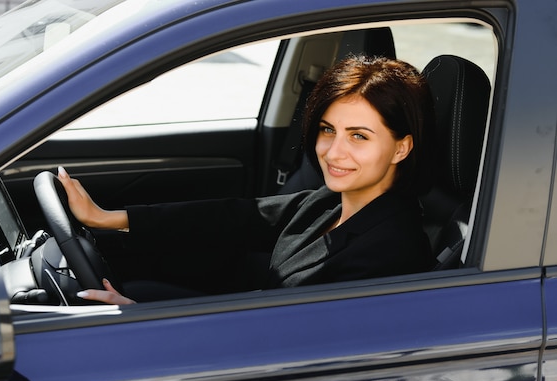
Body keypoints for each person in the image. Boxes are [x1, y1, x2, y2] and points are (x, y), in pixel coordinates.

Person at [58, 55, 436, 305]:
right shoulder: (330, 203)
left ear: (401, 148)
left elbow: (294, 344)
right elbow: (235, 217)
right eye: (327, 130)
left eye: (359, 136)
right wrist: (106, 218)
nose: (333, 152)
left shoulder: (392, 251)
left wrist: (138, 317)